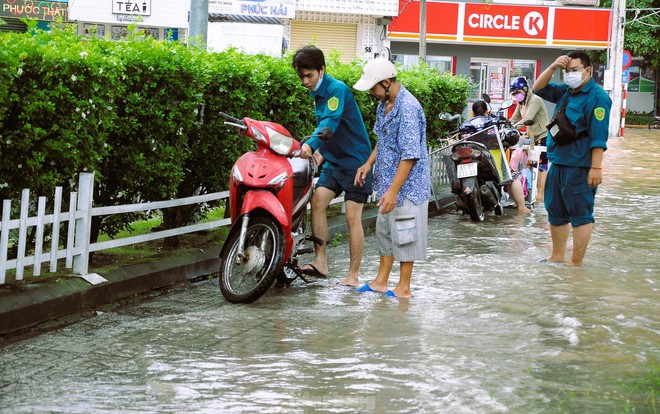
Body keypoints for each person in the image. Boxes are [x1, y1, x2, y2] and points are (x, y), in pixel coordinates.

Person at [291, 46, 373, 286]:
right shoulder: (317, 93)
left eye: (309, 75)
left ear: (322, 70)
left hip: (357, 164)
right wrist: (320, 154)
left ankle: (353, 276)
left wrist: (311, 145)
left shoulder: (336, 90)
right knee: (317, 202)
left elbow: (330, 124)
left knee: (352, 218)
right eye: (301, 76)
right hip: (335, 162)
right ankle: (321, 263)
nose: (305, 81)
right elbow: (332, 133)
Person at [352, 58, 431, 299]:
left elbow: (410, 156)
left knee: (406, 233)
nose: (372, 94)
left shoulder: (408, 107)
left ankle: (404, 287)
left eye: (374, 88)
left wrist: (394, 191)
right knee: (385, 231)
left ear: (386, 83)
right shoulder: (385, 104)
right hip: (389, 184)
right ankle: (381, 281)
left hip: (407, 187)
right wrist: (368, 163)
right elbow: (382, 140)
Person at [532, 50, 611, 266]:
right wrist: (553, 67)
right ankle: (557, 256)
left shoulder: (598, 98)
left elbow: (598, 137)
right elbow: (537, 88)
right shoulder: (566, 91)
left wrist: (596, 168)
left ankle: (575, 263)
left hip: (580, 165)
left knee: (580, 213)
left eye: (574, 70)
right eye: (567, 71)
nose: (570, 75)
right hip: (558, 161)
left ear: (588, 70)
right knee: (555, 210)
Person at [471, 101, 530, 213]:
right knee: (512, 176)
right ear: (487, 111)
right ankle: (522, 208)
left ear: (473, 112)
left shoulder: (466, 125)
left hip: (472, 158)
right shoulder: (492, 121)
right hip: (492, 158)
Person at [508, 76, 550, 201]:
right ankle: (533, 192)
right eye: (514, 93)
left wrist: (514, 126)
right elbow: (514, 118)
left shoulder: (535, 100)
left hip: (543, 135)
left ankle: (541, 194)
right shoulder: (521, 102)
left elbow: (527, 119)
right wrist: (506, 125)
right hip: (532, 136)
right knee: (532, 163)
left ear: (525, 89)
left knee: (542, 165)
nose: (516, 96)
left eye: (518, 92)